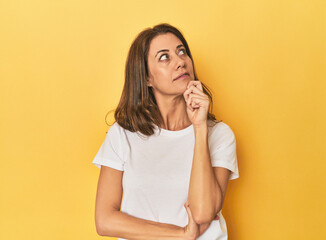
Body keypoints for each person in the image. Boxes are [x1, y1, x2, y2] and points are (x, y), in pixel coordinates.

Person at [92, 23, 239, 240]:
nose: (180, 62)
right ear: (146, 79)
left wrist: (199, 129)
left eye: (182, 52)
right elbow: (105, 221)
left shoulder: (219, 135)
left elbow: (203, 212)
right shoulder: (123, 135)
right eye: (164, 57)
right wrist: (180, 235)